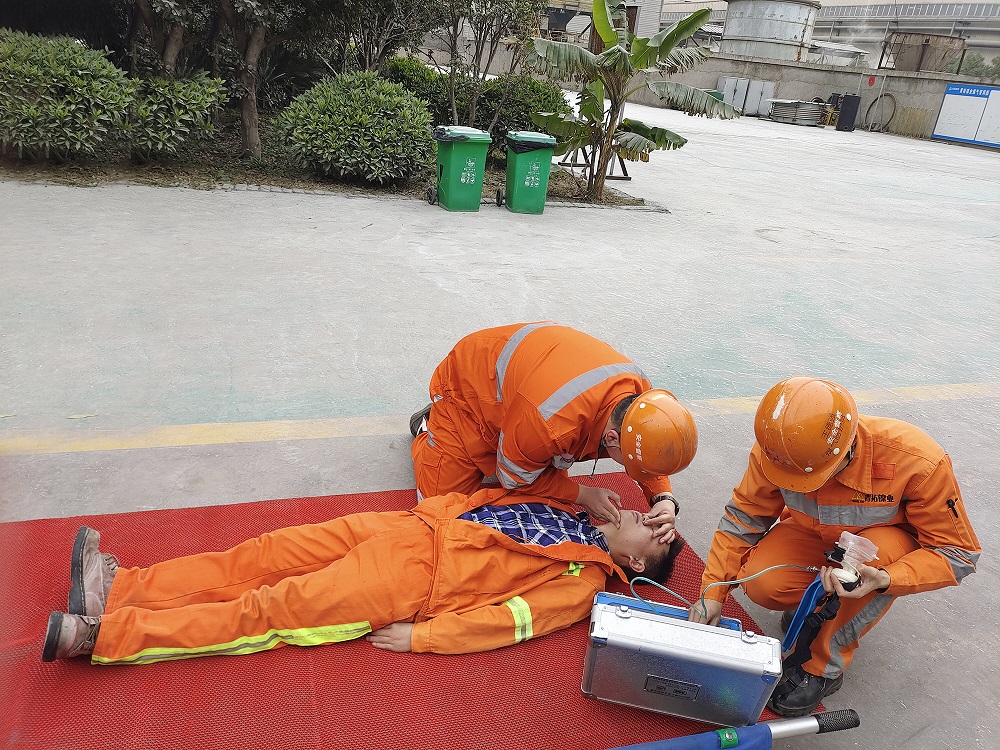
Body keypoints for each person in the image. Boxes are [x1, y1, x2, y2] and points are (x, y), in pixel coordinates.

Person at [42, 487, 684, 664]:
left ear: (635, 563)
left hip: (409, 585)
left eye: (651, 532)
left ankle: (105, 637)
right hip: (408, 528)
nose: (642, 515)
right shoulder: (577, 509)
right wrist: (583, 493)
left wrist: (425, 638)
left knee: (267, 610)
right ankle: (119, 589)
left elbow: (512, 623)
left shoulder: (584, 582)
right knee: (261, 555)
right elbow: (519, 477)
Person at [689, 377, 981, 717]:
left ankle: (821, 667)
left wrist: (888, 578)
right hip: (813, 534)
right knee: (763, 582)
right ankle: (814, 608)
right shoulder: (779, 451)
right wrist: (713, 592)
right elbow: (744, 517)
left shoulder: (917, 461)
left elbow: (959, 553)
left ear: (849, 447)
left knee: (861, 571)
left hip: (879, 549)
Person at [410, 322, 698, 545]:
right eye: (631, 464)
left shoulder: (642, 400)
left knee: (543, 500)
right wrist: (582, 494)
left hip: (526, 400)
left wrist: (663, 497)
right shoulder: (552, 422)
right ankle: (431, 424)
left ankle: (511, 438)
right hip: (469, 387)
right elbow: (513, 478)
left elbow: (652, 447)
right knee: (441, 515)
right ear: (611, 438)